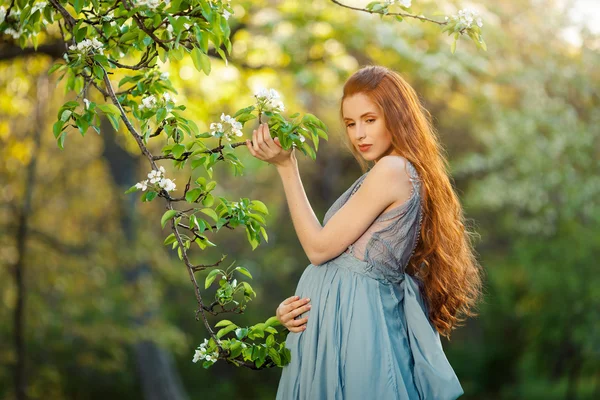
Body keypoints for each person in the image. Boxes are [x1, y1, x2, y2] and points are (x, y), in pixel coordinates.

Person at [245, 65, 483, 400]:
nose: (359, 134)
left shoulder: (393, 170)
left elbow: (318, 248)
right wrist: (300, 308)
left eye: (370, 119)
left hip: (356, 332)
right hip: (333, 330)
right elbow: (337, 263)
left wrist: (287, 167)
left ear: (396, 117)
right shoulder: (386, 171)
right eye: (351, 123)